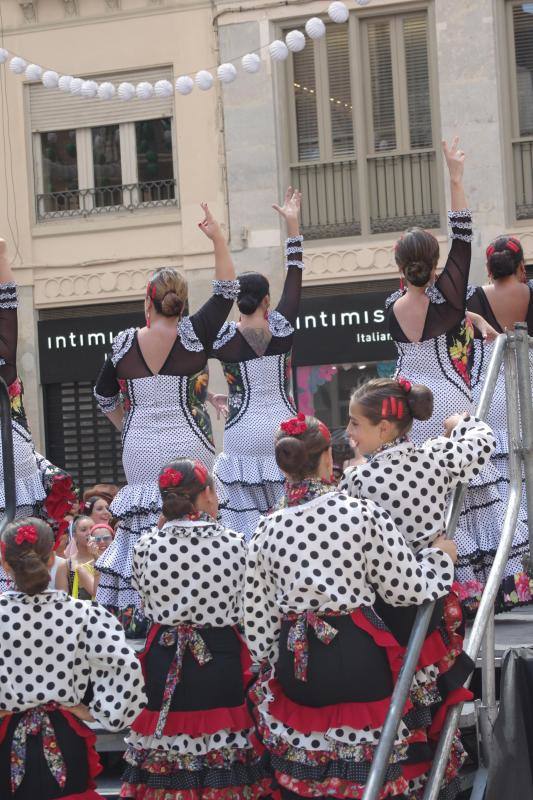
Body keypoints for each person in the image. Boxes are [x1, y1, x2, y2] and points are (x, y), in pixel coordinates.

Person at [245, 414, 457, 800]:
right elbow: (407, 587)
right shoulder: (358, 512)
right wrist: (440, 558)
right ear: (328, 458)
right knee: (369, 774)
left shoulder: (264, 529)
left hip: (297, 658)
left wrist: (269, 660)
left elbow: (258, 626)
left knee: (308, 777)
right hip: (357, 651)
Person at [93, 204, 239, 629]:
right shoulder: (193, 334)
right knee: (198, 519)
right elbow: (228, 290)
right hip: (188, 443)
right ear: (182, 301)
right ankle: (203, 602)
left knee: (140, 533)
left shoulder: (122, 343)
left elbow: (103, 395)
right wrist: (216, 239)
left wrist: (128, 426)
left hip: (139, 448)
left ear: (147, 302)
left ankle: (148, 619)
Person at [340, 378, 496, 751]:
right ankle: (435, 767)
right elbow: (484, 440)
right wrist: (460, 425)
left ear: (383, 427)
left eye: (354, 423)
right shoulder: (435, 457)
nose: (348, 432)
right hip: (433, 596)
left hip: (384, 608)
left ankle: (403, 768)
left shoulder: (358, 479)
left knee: (397, 690)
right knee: (428, 684)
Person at [121, 458, 270, 800]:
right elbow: (246, 605)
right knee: (224, 752)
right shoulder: (233, 542)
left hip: (164, 655)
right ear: (204, 495)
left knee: (169, 754)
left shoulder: (145, 546)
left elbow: (144, 603)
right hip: (218, 656)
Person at [0, 516, 145, 800]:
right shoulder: (82, 613)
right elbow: (125, 666)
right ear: (53, 556)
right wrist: (98, 712)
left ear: (5, 563)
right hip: (65, 730)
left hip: (8, 735)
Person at [211, 188, 303, 539]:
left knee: (245, 524)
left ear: (237, 304)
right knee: (291, 515)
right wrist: (293, 225)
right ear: (267, 300)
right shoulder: (281, 326)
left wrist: (208, 397)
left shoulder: (222, 339)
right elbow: (295, 276)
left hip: (242, 433)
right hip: (285, 428)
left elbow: (184, 366)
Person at [0, 239, 76, 591]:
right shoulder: (5, 362)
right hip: (13, 458)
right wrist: (1, 255)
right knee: (23, 543)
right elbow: (8, 303)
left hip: (13, 459)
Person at [466, 235, 533, 609]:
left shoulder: (474, 299)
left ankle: (510, 572)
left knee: (502, 482)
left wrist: (478, 319)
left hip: (490, 390)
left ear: (489, 268)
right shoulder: (528, 292)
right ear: (520, 265)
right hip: (529, 382)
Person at [66, 515, 97, 601]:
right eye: (83, 530)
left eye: (92, 528)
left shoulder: (104, 559)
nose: (89, 532)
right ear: (75, 536)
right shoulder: (68, 563)